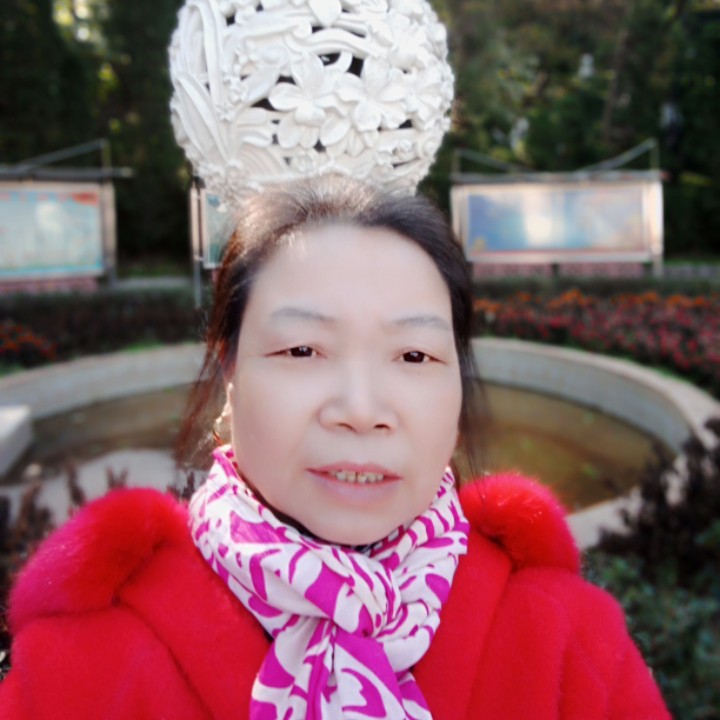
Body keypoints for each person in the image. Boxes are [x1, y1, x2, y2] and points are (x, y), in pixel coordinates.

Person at [0, 175, 670, 719]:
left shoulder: (569, 643)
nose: (361, 411)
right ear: (229, 370)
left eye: (414, 354)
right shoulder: (78, 669)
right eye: (302, 350)